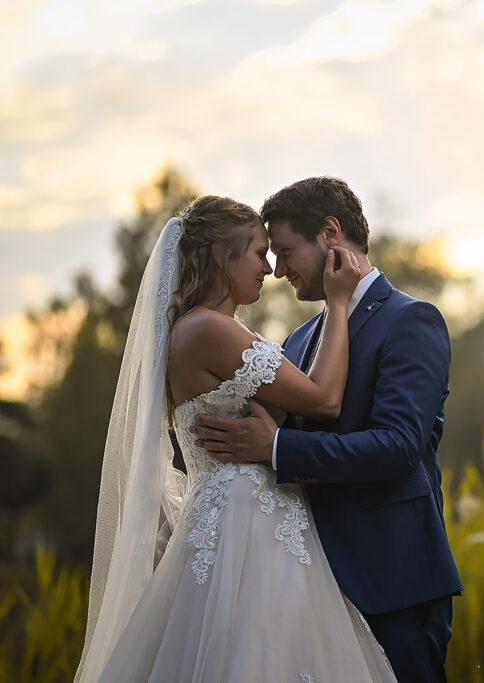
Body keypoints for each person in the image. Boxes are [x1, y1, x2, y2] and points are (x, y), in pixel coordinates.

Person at [75, 195, 396, 682]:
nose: (268, 267)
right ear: (222, 257)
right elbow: (324, 397)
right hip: (247, 528)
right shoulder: (209, 329)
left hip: (239, 517)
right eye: (258, 252)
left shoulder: (202, 329)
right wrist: (337, 302)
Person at [190, 177, 463, 682]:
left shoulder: (411, 321)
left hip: (392, 582)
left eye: (287, 250)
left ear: (330, 234)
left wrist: (276, 446)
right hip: (307, 588)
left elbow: (400, 447)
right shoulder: (298, 339)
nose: (278, 270)